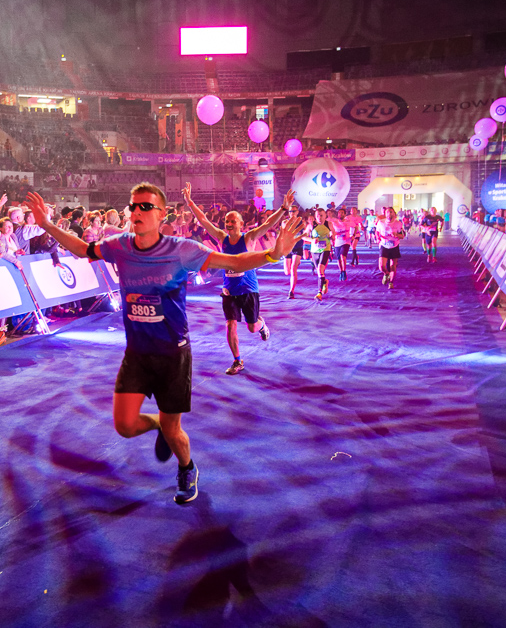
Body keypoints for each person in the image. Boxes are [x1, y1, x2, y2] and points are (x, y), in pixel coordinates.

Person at [22, 183, 303, 505]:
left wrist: (272, 255)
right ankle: (157, 424)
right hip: (137, 353)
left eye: (146, 207)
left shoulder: (181, 249)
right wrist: (46, 225)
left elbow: (233, 262)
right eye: (133, 206)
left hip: (173, 353)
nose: (137, 212)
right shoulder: (119, 246)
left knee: (175, 431)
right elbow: (83, 249)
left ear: (161, 214)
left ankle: (187, 468)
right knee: (125, 426)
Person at [184, 183, 292, 375]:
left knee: (252, 327)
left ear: (241, 224)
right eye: (227, 221)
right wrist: (190, 202)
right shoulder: (222, 238)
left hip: (248, 289)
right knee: (230, 324)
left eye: (233, 221)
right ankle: (237, 361)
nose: (229, 224)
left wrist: (284, 208)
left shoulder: (249, 237)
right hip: (229, 290)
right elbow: (204, 221)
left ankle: (261, 324)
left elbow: (268, 224)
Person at [376, 207, 405, 289]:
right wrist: (377, 238)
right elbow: (377, 231)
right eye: (387, 212)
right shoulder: (381, 222)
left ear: (394, 214)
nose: (389, 214)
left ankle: (391, 282)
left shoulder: (398, 223)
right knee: (381, 266)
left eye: (391, 212)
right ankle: (386, 274)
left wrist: (397, 235)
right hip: (384, 245)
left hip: (394, 246)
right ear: (385, 214)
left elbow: (402, 236)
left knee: (393, 266)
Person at [307, 207, 332, 300]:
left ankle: (319, 293)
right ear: (315, 216)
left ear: (325, 216)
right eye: (318, 216)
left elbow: (333, 235)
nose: (319, 218)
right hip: (314, 250)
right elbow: (303, 236)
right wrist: (312, 240)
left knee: (321, 268)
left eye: (321, 215)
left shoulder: (329, 224)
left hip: (325, 249)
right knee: (319, 271)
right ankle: (324, 282)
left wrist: (332, 236)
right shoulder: (311, 225)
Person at [282, 207, 305, 299]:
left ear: (297, 212)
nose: (292, 213)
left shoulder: (302, 223)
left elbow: (305, 234)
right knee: (287, 272)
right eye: (290, 211)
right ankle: (296, 263)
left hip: (297, 247)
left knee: (293, 269)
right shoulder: (285, 222)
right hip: (287, 247)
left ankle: (291, 291)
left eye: (293, 211)